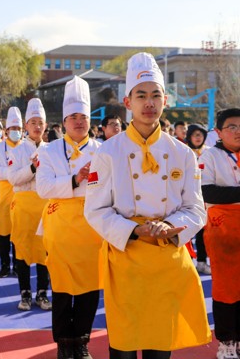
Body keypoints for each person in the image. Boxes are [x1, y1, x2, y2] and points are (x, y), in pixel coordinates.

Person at [84, 52, 211, 359]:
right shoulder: (108, 152)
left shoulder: (182, 153)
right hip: (125, 259)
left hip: (167, 258)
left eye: (155, 95)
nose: (149, 102)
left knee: (159, 348)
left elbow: (196, 209)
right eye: (141, 95)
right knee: (124, 348)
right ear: (128, 102)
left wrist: (168, 226)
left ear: (164, 100)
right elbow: (95, 210)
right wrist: (135, 229)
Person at [36, 76, 103, 359]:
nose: (78, 122)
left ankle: (82, 340)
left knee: (90, 287)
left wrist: (75, 186)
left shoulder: (103, 151)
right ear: (64, 121)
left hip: (93, 227)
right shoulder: (48, 150)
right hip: (60, 226)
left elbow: (109, 188)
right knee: (62, 287)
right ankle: (64, 341)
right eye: (73, 117)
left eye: (83, 117)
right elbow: (43, 187)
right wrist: (76, 179)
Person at [198, 108, 240, 359]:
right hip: (221, 228)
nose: (237, 132)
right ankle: (226, 340)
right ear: (219, 132)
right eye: (232, 127)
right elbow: (207, 192)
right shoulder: (210, 155)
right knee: (225, 287)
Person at [7, 98, 52, 312]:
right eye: (33, 122)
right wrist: (33, 168)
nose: (36, 126)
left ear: (45, 126)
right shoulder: (16, 151)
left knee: (45, 250)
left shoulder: (52, 150)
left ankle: (43, 292)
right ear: (26, 126)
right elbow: (14, 178)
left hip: (44, 206)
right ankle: (25, 293)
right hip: (24, 206)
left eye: (40, 122)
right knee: (23, 250)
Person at [0, 107, 23, 275]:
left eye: (18, 129)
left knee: (18, 234)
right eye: (12, 129)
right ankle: (4, 265)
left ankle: (18, 265)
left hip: (21, 196)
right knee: (3, 234)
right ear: (7, 130)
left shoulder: (26, 147)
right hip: (3, 196)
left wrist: (11, 173)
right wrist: (15, 173)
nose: (15, 132)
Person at [186, 123, 211, 275]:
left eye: (200, 135)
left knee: (203, 232)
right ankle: (187, 261)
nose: (198, 137)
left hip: (205, 198)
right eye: (195, 135)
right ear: (189, 137)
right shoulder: (183, 152)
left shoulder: (209, 153)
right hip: (187, 197)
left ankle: (201, 262)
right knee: (186, 231)